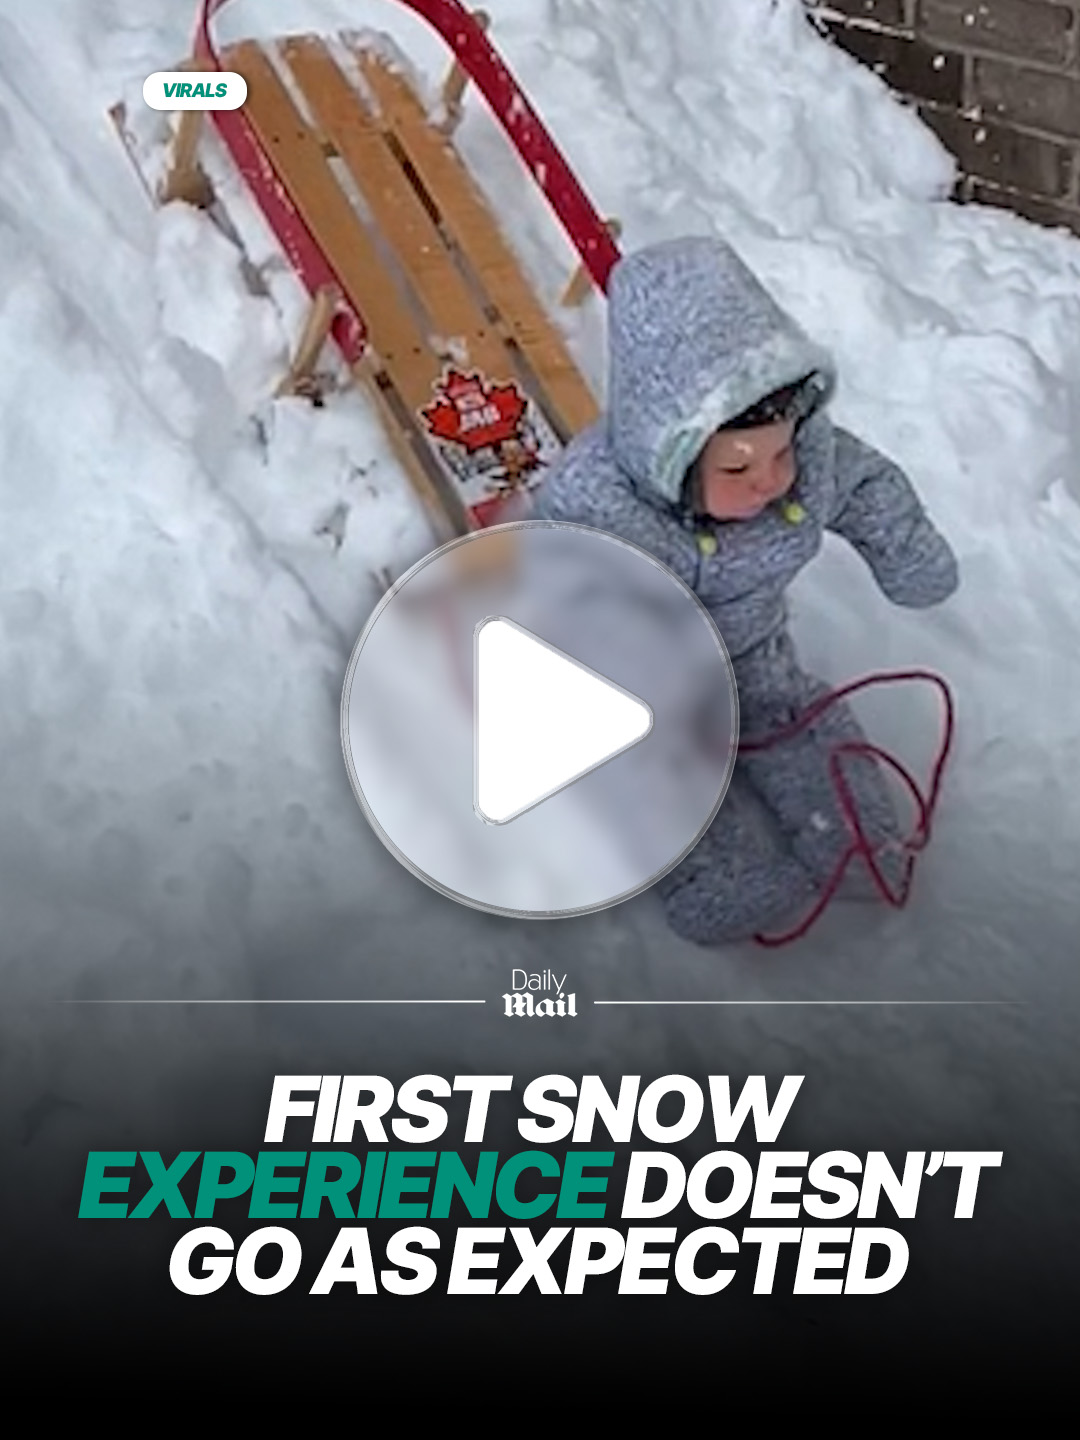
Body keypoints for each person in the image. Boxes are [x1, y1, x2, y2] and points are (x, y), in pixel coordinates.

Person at [532, 235, 959, 943]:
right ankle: (712, 875)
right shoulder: (600, 503)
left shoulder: (805, 459)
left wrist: (906, 551)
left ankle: (850, 835)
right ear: (673, 457)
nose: (770, 480)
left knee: (796, 716)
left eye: (783, 452)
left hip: (754, 649)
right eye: (738, 468)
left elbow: (865, 483)